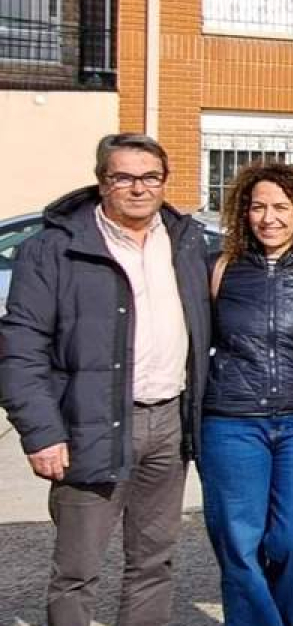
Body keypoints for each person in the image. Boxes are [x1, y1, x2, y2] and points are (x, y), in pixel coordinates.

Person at [0, 133, 210, 626]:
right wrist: (42, 433)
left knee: (153, 561)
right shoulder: (54, 249)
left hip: (168, 424)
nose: (138, 188)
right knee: (78, 568)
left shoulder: (185, 241)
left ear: (164, 182)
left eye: (150, 177)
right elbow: (21, 349)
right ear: (102, 181)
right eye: (124, 177)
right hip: (88, 425)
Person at [199, 163, 293, 626]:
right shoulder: (219, 268)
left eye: (281, 207)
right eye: (258, 207)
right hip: (231, 422)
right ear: (243, 212)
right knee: (239, 544)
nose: (269, 218)